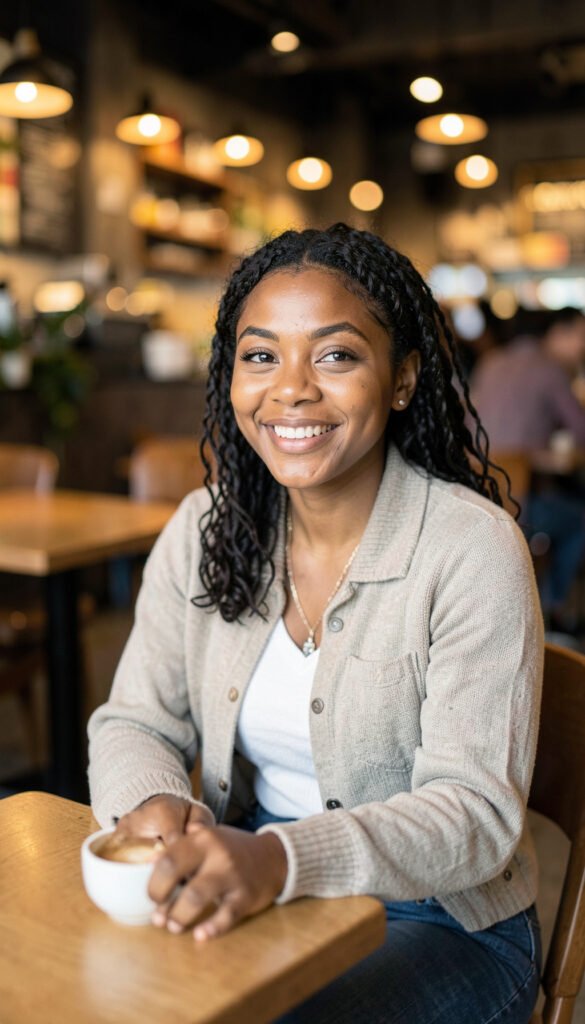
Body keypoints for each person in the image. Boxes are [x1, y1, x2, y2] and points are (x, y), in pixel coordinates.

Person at [88, 224, 543, 1024]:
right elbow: (133, 721)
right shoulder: (208, 529)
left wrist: (278, 860)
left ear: (401, 379)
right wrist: (153, 808)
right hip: (255, 876)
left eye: (334, 355)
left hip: (442, 921)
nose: (290, 389)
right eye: (260, 355)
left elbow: (474, 812)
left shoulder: (471, 548)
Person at [471, 307, 585, 627]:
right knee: (578, 519)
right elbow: (580, 430)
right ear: (555, 333)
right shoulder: (550, 369)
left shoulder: (490, 361)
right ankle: (555, 609)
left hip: (478, 498)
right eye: (580, 334)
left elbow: (471, 424)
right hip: (522, 503)